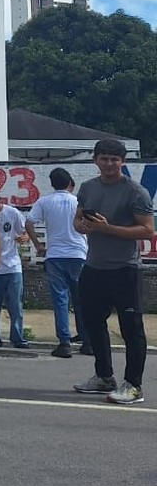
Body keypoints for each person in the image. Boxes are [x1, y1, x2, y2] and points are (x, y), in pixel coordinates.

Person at [72, 139, 153, 405]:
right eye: (104, 158)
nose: (109, 164)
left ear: (123, 162)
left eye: (114, 159)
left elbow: (146, 230)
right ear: (95, 160)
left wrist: (108, 229)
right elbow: (78, 219)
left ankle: (134, 385)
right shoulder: (87, 187)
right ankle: (104, 376)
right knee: (92, 323)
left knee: (131, 328)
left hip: (124, 269)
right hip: (94, 266)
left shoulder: (135, 191)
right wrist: (84, 226)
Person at [24, 167, 90, 358]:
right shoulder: (79, 201)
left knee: (60, 300)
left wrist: (38, 245)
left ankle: (64, 342)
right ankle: (87, 341)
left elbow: (29, 222)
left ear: (52, 183)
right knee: (82, 300)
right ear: (70, 183)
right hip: (78, 254)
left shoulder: (44, 201)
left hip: (55, 255)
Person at [0, 188, 30, 348]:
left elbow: (24, 232)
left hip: (12, 266)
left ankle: (18, 338)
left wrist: (24, 237)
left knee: (15, 305)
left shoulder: (12, 213)